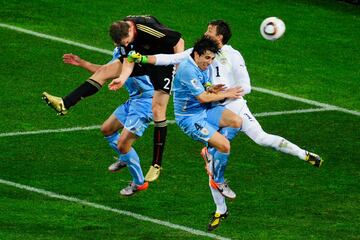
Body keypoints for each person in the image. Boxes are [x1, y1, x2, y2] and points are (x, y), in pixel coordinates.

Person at [127, 19, 324, 231]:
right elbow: (171, 58)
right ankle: (220, 209)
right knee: (218, 153)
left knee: (259, 138)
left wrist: (224, 92)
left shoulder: (232, 55)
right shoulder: (197, 53)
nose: (205, 32)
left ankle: (303, 154)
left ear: (219, 37)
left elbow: (245, 86)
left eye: (209, 30)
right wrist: (143, 58)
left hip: (232, 105)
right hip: (208, 108)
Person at [42, 15, 185, 182]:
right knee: (104, 75)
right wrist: (122, 78)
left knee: (158, 110)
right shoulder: (124, 40)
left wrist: (177, 66)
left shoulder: (146, 29)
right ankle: (64, 103)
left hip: (163, 62)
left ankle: (156, 164)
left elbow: (178, 40)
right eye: (122, 44)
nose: (124, 45)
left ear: (131, 30)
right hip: (142, 61)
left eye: (126, 41)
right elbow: (127, 62)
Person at [171, 35, 245, 229]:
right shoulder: (187, 69)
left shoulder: (203, 66)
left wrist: (213, 87)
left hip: (204, 111)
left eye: (212, 58)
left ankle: (209, 152)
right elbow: (203, 97)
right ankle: (218, 181)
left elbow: (205, 88)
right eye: (206, 58)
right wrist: (226, 93)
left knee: (237, 121)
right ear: (196, 54)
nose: (209, 62)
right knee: (225, 145)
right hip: (190, 118)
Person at [61, 49, 153, 196]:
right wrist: (82, 63)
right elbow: (106, 71)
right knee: (107, 129)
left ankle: (139, 182)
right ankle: (125, 158)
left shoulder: (136, 52)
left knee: (124, 145)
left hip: (147, 102)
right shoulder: (120, 51)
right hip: (135, 99)